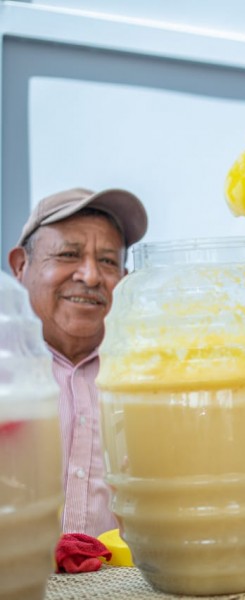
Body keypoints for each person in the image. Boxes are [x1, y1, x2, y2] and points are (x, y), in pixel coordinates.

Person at [8, 187, 148, 537]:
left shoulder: (152, 379)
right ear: (21, 266)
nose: (90, 276)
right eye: (69, 254)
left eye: (107, 261)